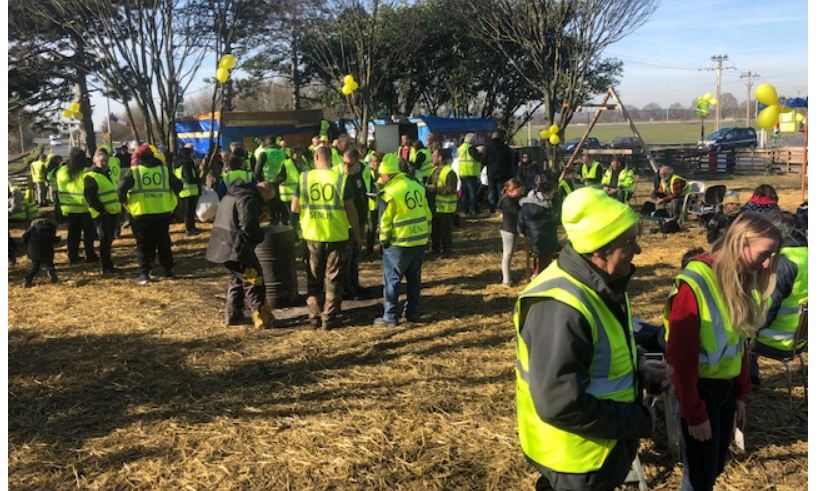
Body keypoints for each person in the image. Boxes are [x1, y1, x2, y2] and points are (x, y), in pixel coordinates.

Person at [515, 187, 670, 491]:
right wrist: (637, 420)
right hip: (577, 459)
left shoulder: (603, 284)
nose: (637, 250)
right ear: (598, 250)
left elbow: (602, 354)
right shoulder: (561, 307)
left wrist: (640, 367)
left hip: (596, 450)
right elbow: (561, 404)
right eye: (629, 242)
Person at [665, 212, 782, 491]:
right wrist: (694, 413)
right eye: (763, 254)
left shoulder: (741, 282)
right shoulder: (696, 284)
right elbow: (680, 360)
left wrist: (741, 393)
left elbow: (739, 345)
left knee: (714, 467)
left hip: (724, 391)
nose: (767, 263)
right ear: (740, 244)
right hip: (700, 393)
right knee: (699, 476)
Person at [291, 145, 361, 330]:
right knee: (333, 279)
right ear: (331, 159)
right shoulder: (341, 179)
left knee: (313, 278)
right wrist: (357, 234)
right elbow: (351, 211)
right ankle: (328, 318)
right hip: (337, 236)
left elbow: (294, 207)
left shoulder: (304, 178)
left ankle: (314, 316)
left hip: (312, 236)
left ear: (315, 157)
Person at [206, 180, 278, 329]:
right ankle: (260, 316)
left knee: (236, 278)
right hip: (237, 246)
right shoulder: (249, 198)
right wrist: (260, 235)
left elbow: (235, 218)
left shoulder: (233, 194)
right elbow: (247, 225)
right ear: (264, 191)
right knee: (254, 278)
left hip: (221, 243)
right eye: (267, 198)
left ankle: (233, 315)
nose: (265, 202)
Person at [373, 154, 432, 327]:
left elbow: (385, 221)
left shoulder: (388, 193)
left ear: (387, 175)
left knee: (392, 280)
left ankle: (390, 316)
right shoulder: (416, 186)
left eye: (381, 176)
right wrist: (427, 235)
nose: (380, 179)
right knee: (414, 279)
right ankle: (412, 313)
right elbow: (427, 213)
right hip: (419, 240)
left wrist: (383, 241)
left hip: (399, 243)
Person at [750, 212, 808, 385]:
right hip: (801, 339)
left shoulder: (781, 262)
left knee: (739, 332)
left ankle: (749, 380)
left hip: (776, 340)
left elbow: (767, 310)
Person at [119, 144, 183, 285]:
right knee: (164, 243)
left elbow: (120, 189)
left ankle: (144, 274)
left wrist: (125, 204)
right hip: (162, 212)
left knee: (143, 245)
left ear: (139, 157)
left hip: (140, 213)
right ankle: (168, 271)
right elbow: (179, 185)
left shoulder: (134, 172)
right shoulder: (164, 171)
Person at [83, 150, 123, 275]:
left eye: (106, 160)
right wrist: (102, 211)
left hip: (112, 212)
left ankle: (108, 265)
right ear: (95, 161)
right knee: (105, 241)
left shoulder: (106, 173)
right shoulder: (91, 176)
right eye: (101, 161)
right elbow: (90, 197)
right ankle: (106, 267)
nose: (104, 163)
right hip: (102, 215)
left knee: (109, 240)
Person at [56, 148, 98, 264]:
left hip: (69, 207)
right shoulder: (86, 172)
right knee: (88, 234)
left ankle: (72, 256)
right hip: (85, 207)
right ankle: (90, 255)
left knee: (73, 234)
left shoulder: (62, 171)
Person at [342, 148, 370, 299]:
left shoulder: (362, 171)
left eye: (349, 164)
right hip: (346, 222)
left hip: (360, 218)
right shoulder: (341, 176)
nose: (345, 167)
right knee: (347, 257)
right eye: (344, 163)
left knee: (355, 254)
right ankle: (348, 288)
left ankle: (355, 284)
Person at [518, 181, 559, 277]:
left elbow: (520, 223)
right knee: (549, 252)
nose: (553, 196)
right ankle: (539, 273)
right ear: (547, 193)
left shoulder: (525, 205)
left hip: (531, 240)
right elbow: (555, 221)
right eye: (552, 194)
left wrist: (524, 233)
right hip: (543, 241)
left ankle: (538, 271)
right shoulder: (546, 208)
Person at [426, 148, 457, 258]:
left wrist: (435, 189)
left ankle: (446, 251)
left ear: (440, 158)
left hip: (445, 208)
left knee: (445, 232)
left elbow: (452, 189)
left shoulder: (449, 172)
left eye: (434, 156)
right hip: (434, 207)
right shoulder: (433, 170)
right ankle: (435, 250)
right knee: (435, 231)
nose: (432, 158)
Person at [21, 218, 61, 287]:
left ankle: (27, 280)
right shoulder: (51, 227)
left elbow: (24, 237)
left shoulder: (33, 227)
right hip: (47, 250)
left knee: (35, 267)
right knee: (49, 264)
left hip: (34, 249)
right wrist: (58, 239)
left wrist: (25, 244)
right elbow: (52, 239)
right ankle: (53, 276)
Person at [254, 136, 287, 220]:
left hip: (267, 183)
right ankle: (284, 219)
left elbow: (257, 171)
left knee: (270, 203)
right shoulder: (283, 153)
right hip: (280, 182)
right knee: (279, 201)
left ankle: (274, 220)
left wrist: (261, 181)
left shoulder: (264, 153)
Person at [173, 143, 202, 235]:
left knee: (188, 211)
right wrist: (198, 180)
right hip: (189, 190)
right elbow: (188, 177)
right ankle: (190, 229)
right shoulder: (187, 162)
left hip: (183, 190)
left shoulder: (179, 162)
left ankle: (190, 227)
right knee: (189, 212)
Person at [498, 179, 522, 286]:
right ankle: (506, 280)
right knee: (507, 254)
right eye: (519, 190)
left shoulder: (512, 199)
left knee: (509, 254)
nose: (521, 192)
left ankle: (507, 278)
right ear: (512, 190)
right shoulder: (508, 202)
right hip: (509, 230)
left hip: (511, 229)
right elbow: (518, 213)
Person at [484, 131, 514, 214]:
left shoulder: (488, 147)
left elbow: (484, 159)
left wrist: (482, 168)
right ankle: (502, 207)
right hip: (503, 173)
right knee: (501, 190)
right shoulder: (505, 147)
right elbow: (510, 160)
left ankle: (492, 208)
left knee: (491, 190)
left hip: (491, 172)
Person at [456, 133, 485, 216]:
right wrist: (480, 151)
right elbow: (478, 158)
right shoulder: (471, 149)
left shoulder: (460, 148)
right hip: (470, 173)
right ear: (472, 140)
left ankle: (465, 210)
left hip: (462, 172)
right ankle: (473, 210)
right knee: (473, 193)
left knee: (465, 193)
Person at [278, 146, 304, 229]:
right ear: (292, 154)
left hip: (301, 195)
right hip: (289, 196)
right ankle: (291, 234)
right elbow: (280, 177)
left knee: (298, 217)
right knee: (292, 217)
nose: (299, 155)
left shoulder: (304, 162)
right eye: (297, 154)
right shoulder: (286, 163)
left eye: (300, 153)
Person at [364, 151, 382, 256]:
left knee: (381, 228)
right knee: (371, 229)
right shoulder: (368, 172)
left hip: (381, 203)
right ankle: (369, 251)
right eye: (372, 161)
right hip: (371, 204)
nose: (373, 163)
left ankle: (381, 250)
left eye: (375, 161)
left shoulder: (383, 172)